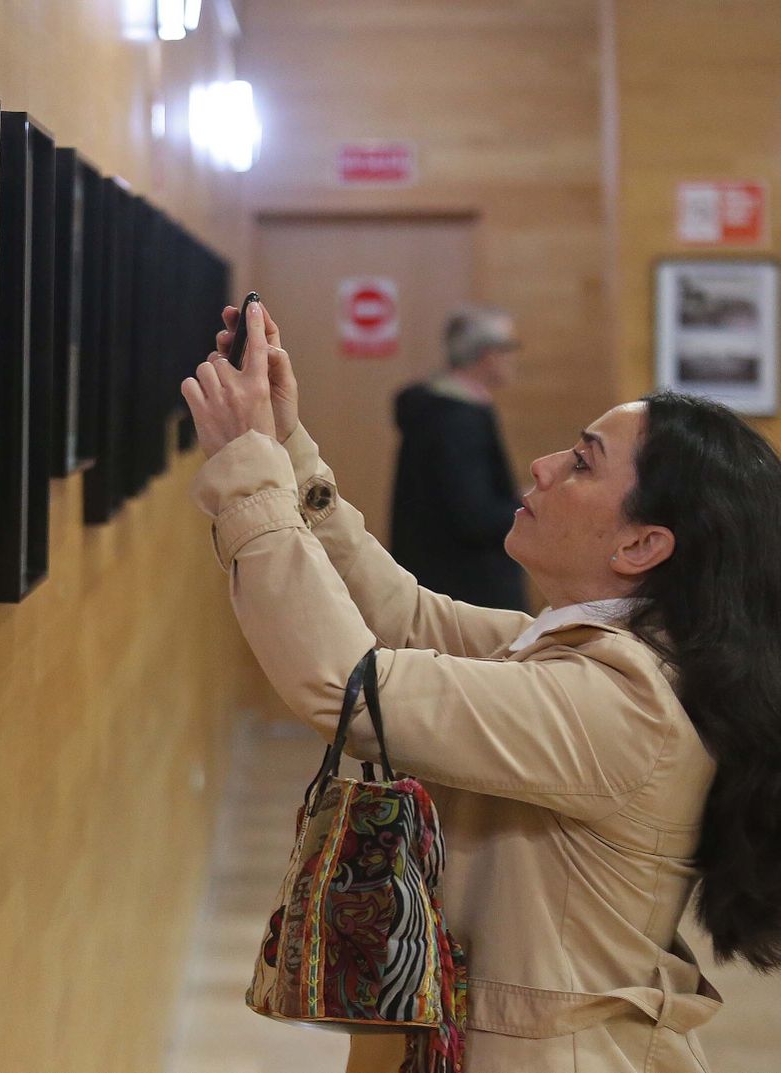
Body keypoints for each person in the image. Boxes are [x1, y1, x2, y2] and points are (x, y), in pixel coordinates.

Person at [180, 298, 781, 1073]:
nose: (543, 465)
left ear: (643, 543)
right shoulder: (594, 649)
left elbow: (351, 690)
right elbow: (401, 616)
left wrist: (246, 473)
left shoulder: (627, 702)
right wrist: (288, 448)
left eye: (583, 461)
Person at [390, 307, 525, 610]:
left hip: (436, 582)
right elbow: (475, 516)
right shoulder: (457, 421)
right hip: (466, 593)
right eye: (510, 348)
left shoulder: (436, 407)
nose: (514, 358)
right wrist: (525, 506)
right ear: (489, 354)